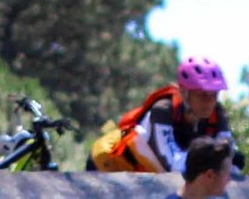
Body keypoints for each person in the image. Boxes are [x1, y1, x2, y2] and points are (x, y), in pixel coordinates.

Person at [90, 55, 233, 174]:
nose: (209, 102)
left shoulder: (218, 113)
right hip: (108, 162)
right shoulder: (163, 110)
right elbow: (173, 166)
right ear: (184, 92)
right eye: (201, 94)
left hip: (142, 173)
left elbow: (231, 162)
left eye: (214, 94)